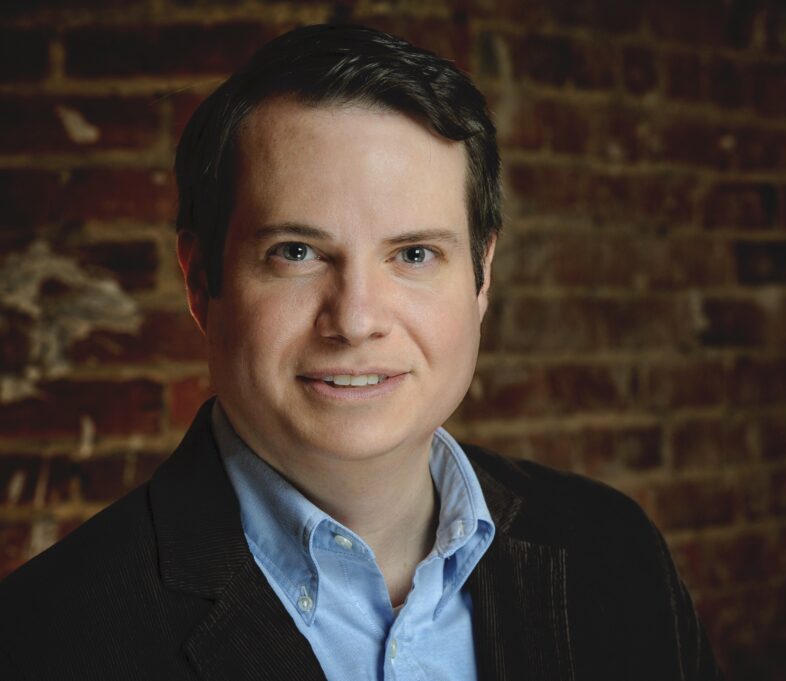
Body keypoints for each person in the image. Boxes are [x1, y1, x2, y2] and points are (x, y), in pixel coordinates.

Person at [0, 24, 721, 681]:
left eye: (413, 253)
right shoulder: (47, 637)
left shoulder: (612, 554)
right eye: (297, 252)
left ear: (481, 277)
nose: (355, 318)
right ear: (199, 283)